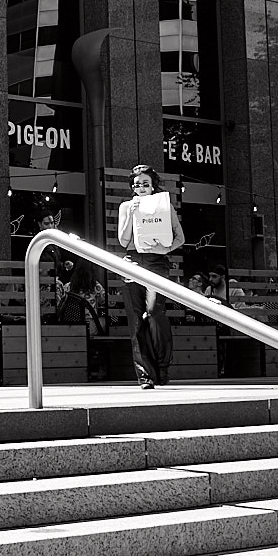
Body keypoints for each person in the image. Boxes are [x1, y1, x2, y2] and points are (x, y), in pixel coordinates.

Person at [116, 164, 181, 388]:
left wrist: (166, 249)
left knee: (154, 312)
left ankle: (162, 367)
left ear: (153, 186)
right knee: (136, 321)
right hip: (132, 262)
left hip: (157, 262)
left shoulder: (165, 206)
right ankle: (145, 376)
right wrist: (131, 214)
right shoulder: (126, 206)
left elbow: (179, 237)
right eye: (137, 184)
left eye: (145, 183)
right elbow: (123, 241)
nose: (141, 187)